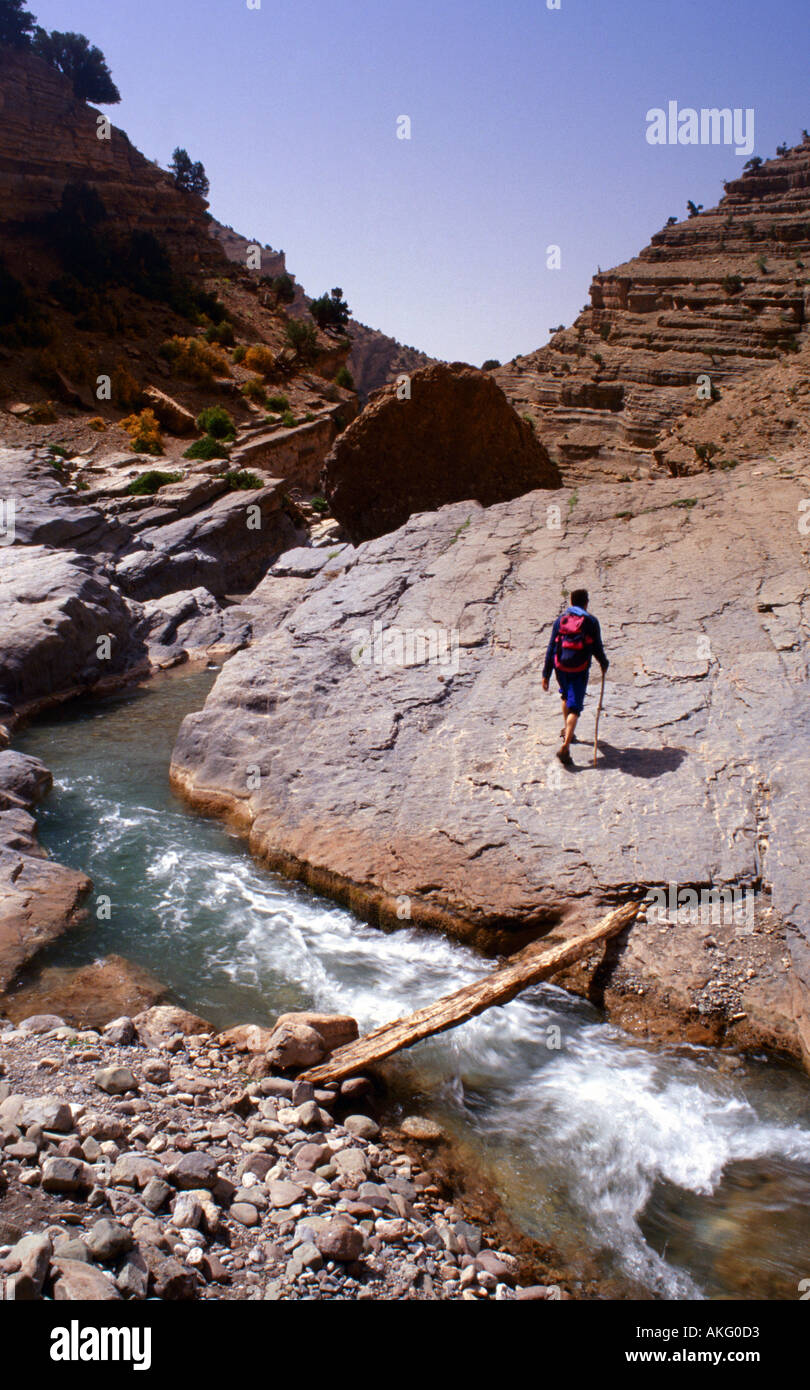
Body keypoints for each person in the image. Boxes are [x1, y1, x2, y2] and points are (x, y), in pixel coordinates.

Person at [542, 588, 609, 764]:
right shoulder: (591, 621)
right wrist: (604, 663)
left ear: (571, 602)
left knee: (565, 696)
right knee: (575, 708)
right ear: (586, 602)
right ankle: (566, 745)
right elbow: (597, 647)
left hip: (560, 667)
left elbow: (551, 647)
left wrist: (546, 674)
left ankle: (568, 732)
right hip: (579, 669)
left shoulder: (560, 620)